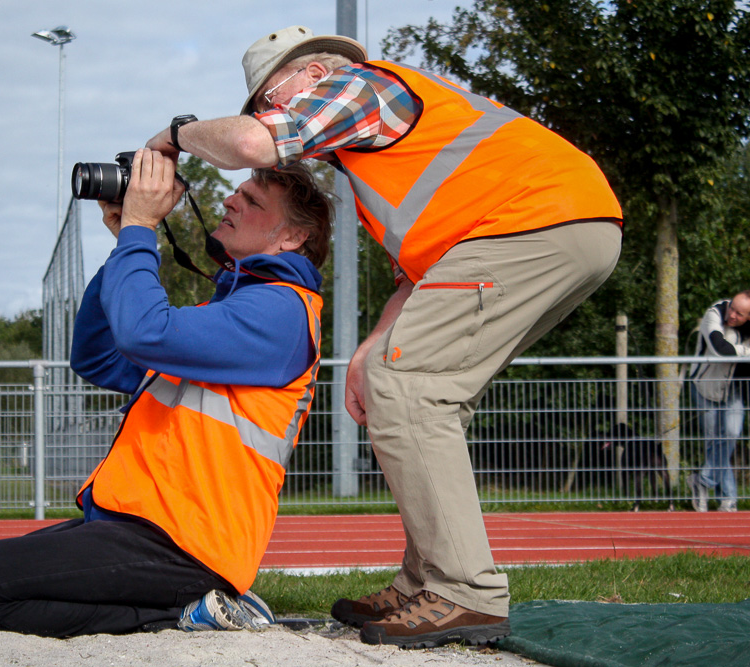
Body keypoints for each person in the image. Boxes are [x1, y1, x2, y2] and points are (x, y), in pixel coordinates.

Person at [146, 25, 623, 648]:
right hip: (549, 225)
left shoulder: (358, 87)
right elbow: (421, 275)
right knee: (403, 383)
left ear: (311, 78)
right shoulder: (380, 157)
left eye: (268, 99)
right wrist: (369, 352)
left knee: (412, 387)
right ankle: (424, 580)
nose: (269, 116)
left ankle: (464, 593)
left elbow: (248, 144)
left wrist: (174, 135)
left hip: (535, 222)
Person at [0, 148, 334, 637]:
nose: (229, 200)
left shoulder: (282, 311)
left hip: (185, 543)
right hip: (149, 530)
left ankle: (181, 613)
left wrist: (141, 228)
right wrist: (126, 239)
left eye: (251, 199)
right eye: (236, 191)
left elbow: (145, 332)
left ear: (292, 236)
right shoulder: (234, 311)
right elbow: (97, 357)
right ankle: (188, 612)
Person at [687, 291, 750, 513]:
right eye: (732, 308)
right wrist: (746, 352)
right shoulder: (713, 314)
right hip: (705, 387)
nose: (731, 315)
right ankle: (728, 498)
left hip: (733, 389)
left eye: (739, 314)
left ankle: (701, 481)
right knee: (714, 440)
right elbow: (720, 349)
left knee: (731, 434)